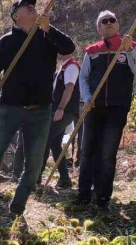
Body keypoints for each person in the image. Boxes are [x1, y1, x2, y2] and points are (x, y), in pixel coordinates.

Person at [0, 0, 75, 232]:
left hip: (41, 111)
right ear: (16, 16)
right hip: (9, 109)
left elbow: (69, 48)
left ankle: (17, 207)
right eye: (26, 5)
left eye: (33, 4)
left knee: (34, 167)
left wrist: (49, 28)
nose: (32, 6)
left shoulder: (47, 37)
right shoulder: (7, 41)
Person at [77, 10, 136, 209]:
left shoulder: (130, 47)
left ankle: (103, 198)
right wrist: (87, 98)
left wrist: (129, 51)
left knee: (107, 153)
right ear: (98, 29)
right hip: (94, 107)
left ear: (118, 24)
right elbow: (83, 78)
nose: (108, 23)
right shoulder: (92, 51)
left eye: (112, 20)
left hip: (117, 108)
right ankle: (83, 194)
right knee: (88, 151)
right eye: (103, 22)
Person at [40, 52, 80, 188]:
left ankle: (36, 177)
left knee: (45, 139)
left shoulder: (71, 67)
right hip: (59, 110)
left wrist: (61, 108)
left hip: (65, 110)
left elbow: (69, 88)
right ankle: (64, 179)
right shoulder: (62, 68)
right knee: (54, 144)